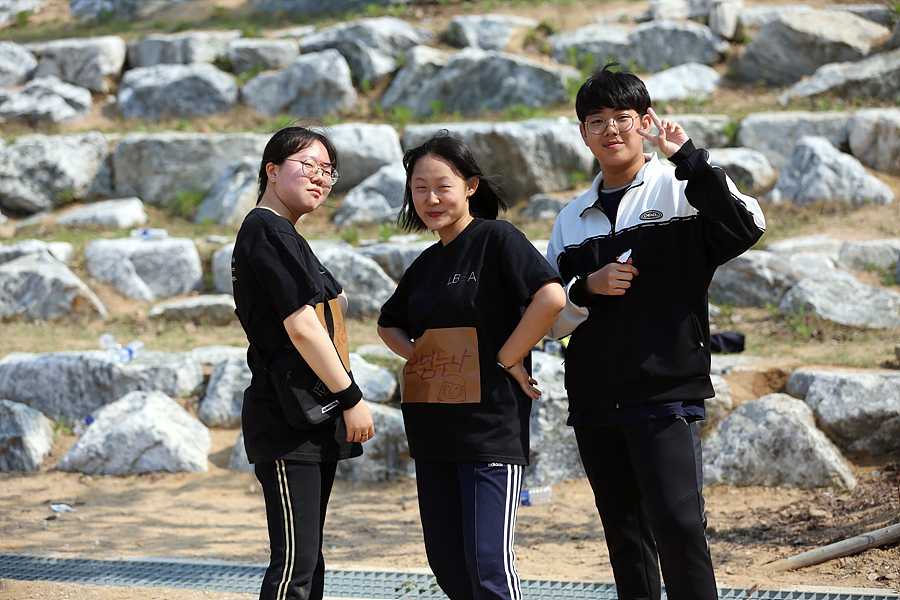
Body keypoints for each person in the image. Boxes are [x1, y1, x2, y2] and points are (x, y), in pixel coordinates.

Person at [546, 62, 766, 600]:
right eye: (596, 121)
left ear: (646, 122)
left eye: (623, 117)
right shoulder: (570, 219)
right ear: (583, 134)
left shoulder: (680, 189)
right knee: (626, 540)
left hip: (666, 392)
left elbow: (748, 225)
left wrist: (688, 157)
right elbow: (549, 318)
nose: (611, 130)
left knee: (680, 527)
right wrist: (586, 288)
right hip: (594, 399)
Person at [377, 130, 566, 600]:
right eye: (420, 188)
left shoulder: (496, 239)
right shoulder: (424, 265)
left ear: (470, 186)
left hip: (488, 431)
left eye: (443, 186)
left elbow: (550, 297)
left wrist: (508, 356)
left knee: (488, 568)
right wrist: (428, 357)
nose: (431, 199)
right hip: (433, 433)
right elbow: (388, 325)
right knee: (448, 565)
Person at [231, 124, 375, 600]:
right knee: (295, 565)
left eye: (328, 171)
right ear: (272, 171)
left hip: (308, 413)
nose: (320, 178)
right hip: (287, 416)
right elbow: (303, 325)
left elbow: (335, 303)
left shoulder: (285, 234)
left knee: (307, 560)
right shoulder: (266, 228)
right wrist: (351, 397)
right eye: (308, 165)